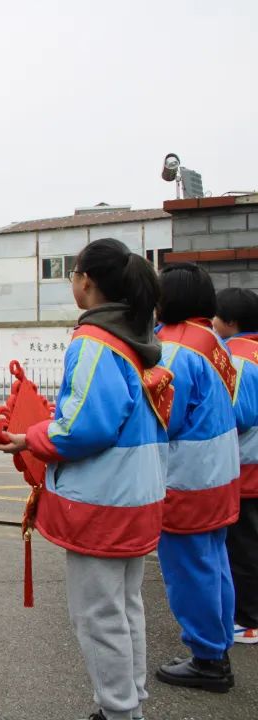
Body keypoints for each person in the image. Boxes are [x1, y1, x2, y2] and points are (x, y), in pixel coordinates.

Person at [0, 238, 168, 720]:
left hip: (102, 498)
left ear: (85, 281)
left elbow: (83, 428)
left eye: (72, 274)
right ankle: (129, 699)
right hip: (138, 494)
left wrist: (29, 436)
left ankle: (118, 711)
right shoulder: (135, 339)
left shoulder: (92, 341)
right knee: (126, 606)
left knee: (97, 615)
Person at [151, 264, 240, 693]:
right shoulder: (213, 341)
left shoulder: (173, 348)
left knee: (189, 571)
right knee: (215, 563)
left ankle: (207, 659)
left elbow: (160, 417)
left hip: (188, 478)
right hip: (220, 472)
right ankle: (218, 646)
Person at [215, 287, 258, 646]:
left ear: (230, 322)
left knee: (243, 548)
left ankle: (248, 620)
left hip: (248, 470)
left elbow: (239, 415)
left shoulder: (238, 357)